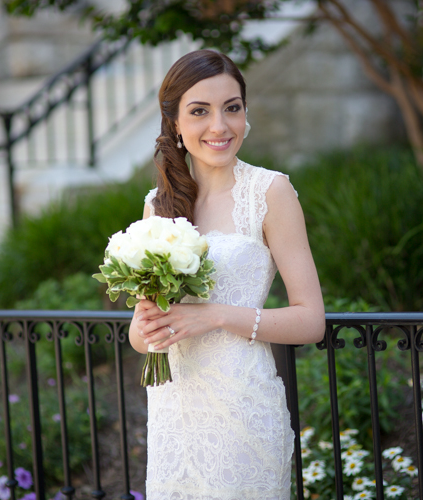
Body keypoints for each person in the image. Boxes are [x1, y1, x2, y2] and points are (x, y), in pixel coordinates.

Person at [128, 49, 326, 500]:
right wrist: (143, 328)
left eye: (232, 108)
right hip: (173, 416)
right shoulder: (157, 204)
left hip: (242, 413)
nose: (220, 126)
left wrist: (215, 315)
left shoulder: (270, 192)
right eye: (200, 111)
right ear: (175, 123)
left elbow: (311, 319)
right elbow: (144, 337)